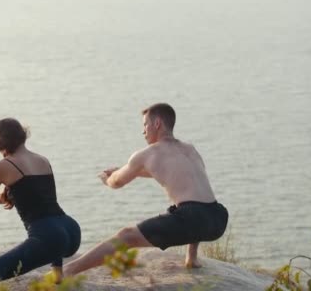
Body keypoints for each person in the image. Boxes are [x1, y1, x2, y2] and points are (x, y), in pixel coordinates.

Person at [62, 103, 228, 277]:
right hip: (218, 219)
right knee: (189, 205)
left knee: (126, 236)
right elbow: (174, 177)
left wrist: (107, 178)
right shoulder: (189, 149)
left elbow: (117, 182)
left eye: (145, 125)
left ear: (157, 124)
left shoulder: (148, 153)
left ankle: (67, 271)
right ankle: (191, 258)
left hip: (192, 218)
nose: (143, 131)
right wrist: (129, 170)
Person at [0, 118, 81, 291]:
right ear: (22, 136)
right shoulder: (42, 160)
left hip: (49, 237)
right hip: (70, 230)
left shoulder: (1, 166)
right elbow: (29, 197)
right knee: (49, 229)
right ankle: (57, 272)